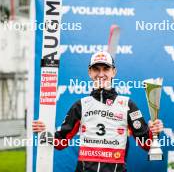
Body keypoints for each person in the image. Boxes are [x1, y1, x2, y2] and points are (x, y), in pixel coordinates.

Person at [33, 51, 164, 172]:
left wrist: (154, 132)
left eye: (106, 69)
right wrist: (43, 132)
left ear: (114, 72)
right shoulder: (81, 105)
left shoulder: (127, 105)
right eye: (96, 69)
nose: (101, 74)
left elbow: (147, 145)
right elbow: (60, 142)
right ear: (89, 72)